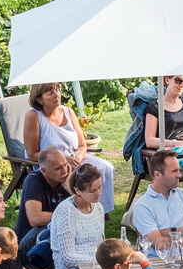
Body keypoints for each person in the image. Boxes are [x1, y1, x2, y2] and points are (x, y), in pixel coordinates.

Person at [22, 82, 114, 212]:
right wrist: (64, 160)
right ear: (39, 99)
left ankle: (100, 211)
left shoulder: (68, 111)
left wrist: (77, 159)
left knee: (105, 167)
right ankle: (83, 211)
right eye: (50, 93)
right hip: (53, 165)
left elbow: (82, 145)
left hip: (75, 158)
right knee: (77, 177)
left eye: (57, 90)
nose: (57, 95)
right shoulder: (34, 116)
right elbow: (32, 153)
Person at [49, 162, 108, 269]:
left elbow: (100, 243)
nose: (98, 193)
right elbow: (67, 257)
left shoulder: (98, 207)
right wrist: (101, 261)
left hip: (97, 267)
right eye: (93, 191)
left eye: (100, 187)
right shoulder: (67, 212)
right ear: (78, 190)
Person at [16, 147, 72, 269]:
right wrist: (67, 217)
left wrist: (70, 188)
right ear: (44, 171)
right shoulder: (33, 180)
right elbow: (35, 218)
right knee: (45, 229)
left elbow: (86, 210)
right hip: (29, 242)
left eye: (65, 165)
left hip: (58, 239)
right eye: (58, 168)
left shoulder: (66, 179)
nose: (64, 171)